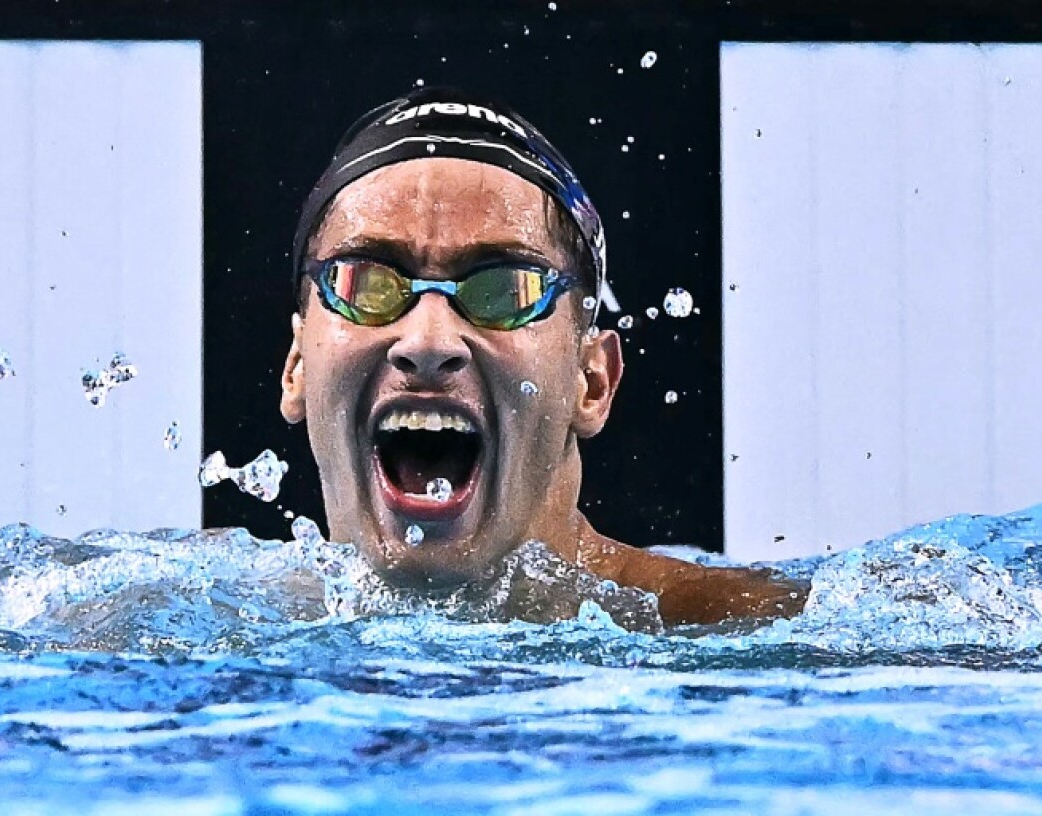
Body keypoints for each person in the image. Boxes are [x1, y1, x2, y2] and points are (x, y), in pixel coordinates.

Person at [279, 87, 806, 626]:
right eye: (366, 284)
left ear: (592, 381)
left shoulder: (747, 625)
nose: (428, 342)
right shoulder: (240, 618)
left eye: (503, 290)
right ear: (297, 368)